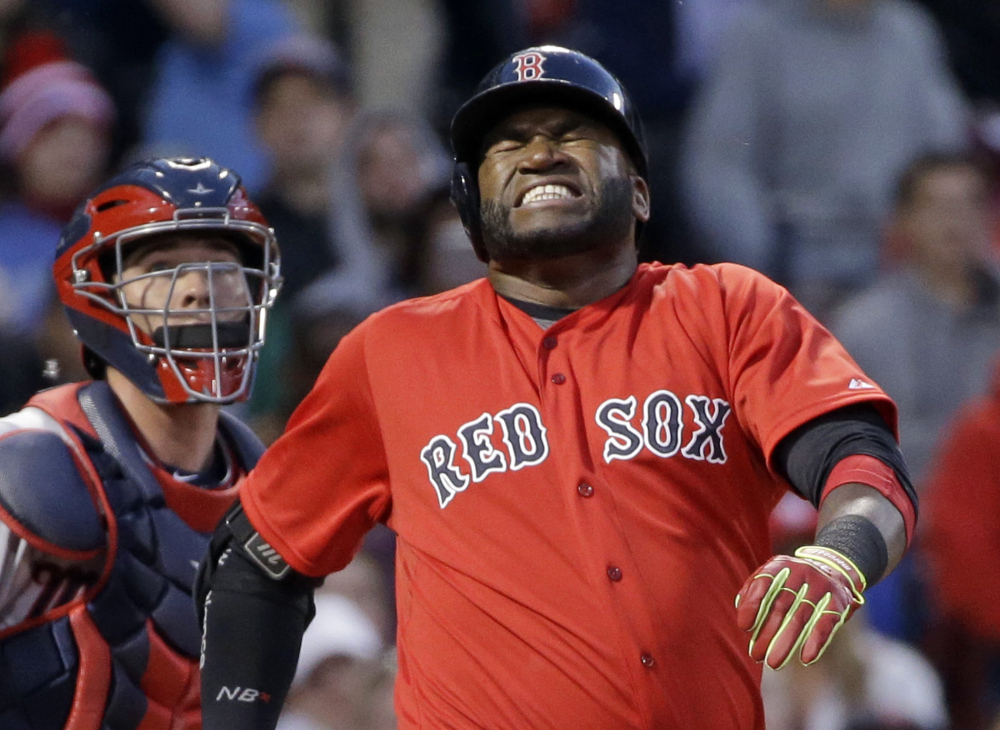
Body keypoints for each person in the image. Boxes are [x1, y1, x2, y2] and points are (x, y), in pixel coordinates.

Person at [197, 47, 918, 730]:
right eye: (507, 145)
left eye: (572, 133)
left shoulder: (726, 309)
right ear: (471, 207)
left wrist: (839, 555)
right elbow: (257, 561)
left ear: (638, 191)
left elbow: (863, 458)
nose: (539, 153)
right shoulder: (389, 353)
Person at [0, 156, 281, 728]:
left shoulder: (269, 483)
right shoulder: (33, 463)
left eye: (222, 266)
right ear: (97, 295)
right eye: (161, 267)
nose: (200, 291)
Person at [681, 0, 969, 318]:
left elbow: (946, 152)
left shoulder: (908, 30)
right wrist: (763, 265)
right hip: (796, 269)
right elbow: (719, 166)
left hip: (900, 267)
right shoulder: (757, 35)